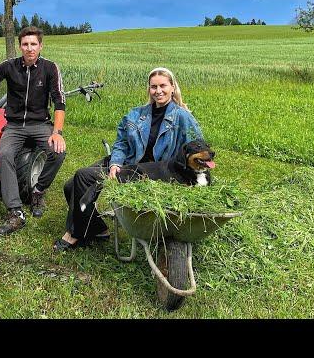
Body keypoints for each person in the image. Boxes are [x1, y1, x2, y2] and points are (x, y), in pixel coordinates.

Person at [53, 67, 204, 251]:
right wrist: (115, 162)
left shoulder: (183, 117)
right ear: (149, 89)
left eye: (163, 86)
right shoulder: (137, 114)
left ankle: (75, 234)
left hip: (150, 172)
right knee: (70, 186)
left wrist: (195, 178)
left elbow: (197, 148)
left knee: (83, 177)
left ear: (172, 87)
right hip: (126, 161)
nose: (158, 91)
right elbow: (122, 143)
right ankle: (97, 229)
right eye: (153, 87)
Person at [0, 26, 66, 236]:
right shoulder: (9, 66)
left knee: (58, 152)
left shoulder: (51, 68)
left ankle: (38, 191)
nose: (29, 48)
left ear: (40, 46)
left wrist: (56, 132)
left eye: (33, 44)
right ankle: (16, 212)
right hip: (14, 126)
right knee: (5, 154)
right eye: (25, 44)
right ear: (20, 46)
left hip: (40, 125)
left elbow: (59, 102)